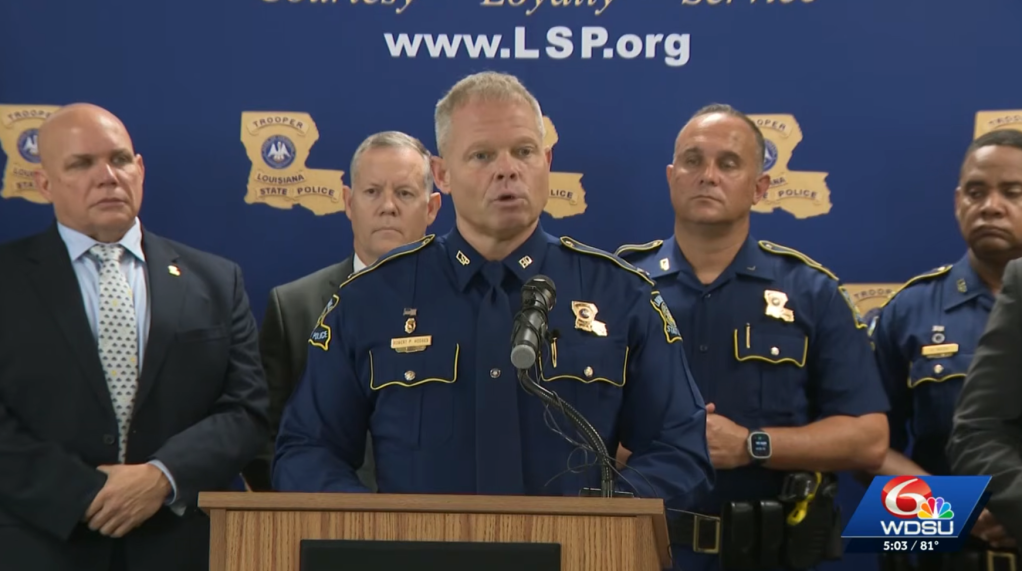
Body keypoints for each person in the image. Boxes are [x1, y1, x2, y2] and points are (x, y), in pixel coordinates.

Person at [272, 71, 713, 516]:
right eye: (482, 155)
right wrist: (377, 532)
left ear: (546, 160)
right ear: (441, 174)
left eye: (524, 152)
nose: (508, 169)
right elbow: (307, 451)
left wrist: (605, 520)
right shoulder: (370, 299)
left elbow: (681, 451)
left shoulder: (621, 295)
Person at [615, 104, 889, 571]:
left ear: (760, 187)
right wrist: (622, 450)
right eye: (693, 160)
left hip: (770, 554)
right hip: (640, 551)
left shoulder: (811, 292)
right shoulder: (617, 287)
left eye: (728, 163)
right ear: (671, 175)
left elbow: (868, 439)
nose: (708, 176)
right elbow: (563, 418)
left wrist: (752, 445)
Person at [0, 103, 269, 571]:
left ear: (139, 169)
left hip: (183, 547)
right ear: (44, 183)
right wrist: (83, 493)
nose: (107, 176)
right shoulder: (8, 281)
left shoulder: (216, 280)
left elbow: (246, 409)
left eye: (120, 159)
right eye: (82, 164)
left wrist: (162, 477)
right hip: (40, 544)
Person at [245, 131, 441, 491]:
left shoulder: (458, 303)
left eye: (405, 193)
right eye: (372, 192)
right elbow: (264, 442)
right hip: (323, 525)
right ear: (348, 203)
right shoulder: (293, 307)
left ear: (431, 208)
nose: (388, 206)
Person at [944, 130, 1022, 565]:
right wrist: (957, 513)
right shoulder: (905, 312)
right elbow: (867, 453)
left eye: (1013, 192)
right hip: (949, 550)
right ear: (959, 200)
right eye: (976, 192)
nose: (991, 206)